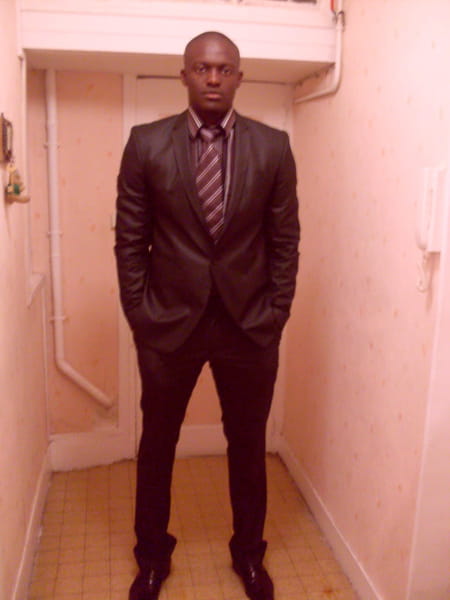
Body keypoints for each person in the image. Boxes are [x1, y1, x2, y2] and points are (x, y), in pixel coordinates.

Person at [115, 30, 300, 600]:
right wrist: (142, 316)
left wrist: (274, 314)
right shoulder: (146, 144)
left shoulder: (273, 147)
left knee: (247, 446)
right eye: (202, 68)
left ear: (239, 76)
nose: (213, 78)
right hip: (169, 326)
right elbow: (130, 240)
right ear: (185, 75)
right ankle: (152, 558)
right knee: (158, 445)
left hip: (249, 327)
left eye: (224, 69)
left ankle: (249, 555)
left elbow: (285, 240)